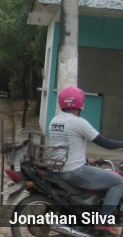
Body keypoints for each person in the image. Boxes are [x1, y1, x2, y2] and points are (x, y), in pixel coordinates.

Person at [49, 86, 123, 236]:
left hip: (58, 167)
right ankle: (103, 221)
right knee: (119, 182)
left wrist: (86, 159)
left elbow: (64, 146)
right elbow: (105, 143)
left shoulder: (55, 120)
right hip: (74, 171)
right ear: (80, 103)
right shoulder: (79, 122)